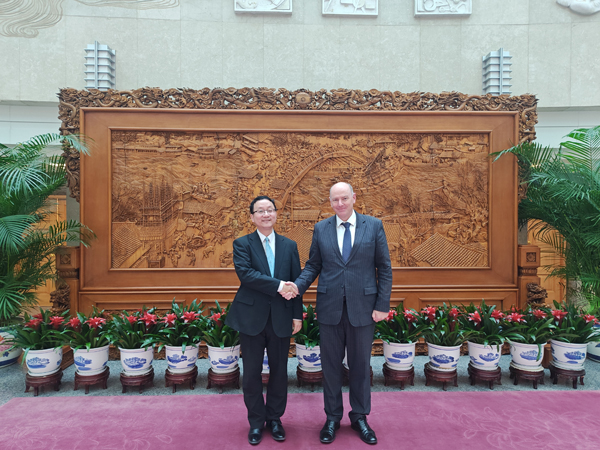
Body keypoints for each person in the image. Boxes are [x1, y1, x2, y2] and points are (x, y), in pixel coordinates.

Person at [285, 182, 392, 445]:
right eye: (335, 200)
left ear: (354, 198)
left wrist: (382, 305)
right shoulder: (321, 228)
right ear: (330, 202)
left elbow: (384, 268)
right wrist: (296, 287)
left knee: (360, 366)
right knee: (331, 367)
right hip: (330, 308)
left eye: (344, 198)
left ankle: (360, 417)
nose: (340, 204)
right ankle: (332, 418)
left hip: (363, 309)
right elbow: (313, 265)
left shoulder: (373, 226)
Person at [225, 195, 303, 445]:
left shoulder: (289, 245)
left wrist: (297, 314)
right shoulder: (242, 244)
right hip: (251, 318)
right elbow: (246, 275)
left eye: (270, 209)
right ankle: (256, 422)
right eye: (260, 211)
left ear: (276, 214)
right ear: (252, 217)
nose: (266, 214)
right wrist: (279, 285)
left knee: (280, 371)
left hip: (281, 316)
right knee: (251, 374)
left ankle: (275, 419)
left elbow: (296, 282)